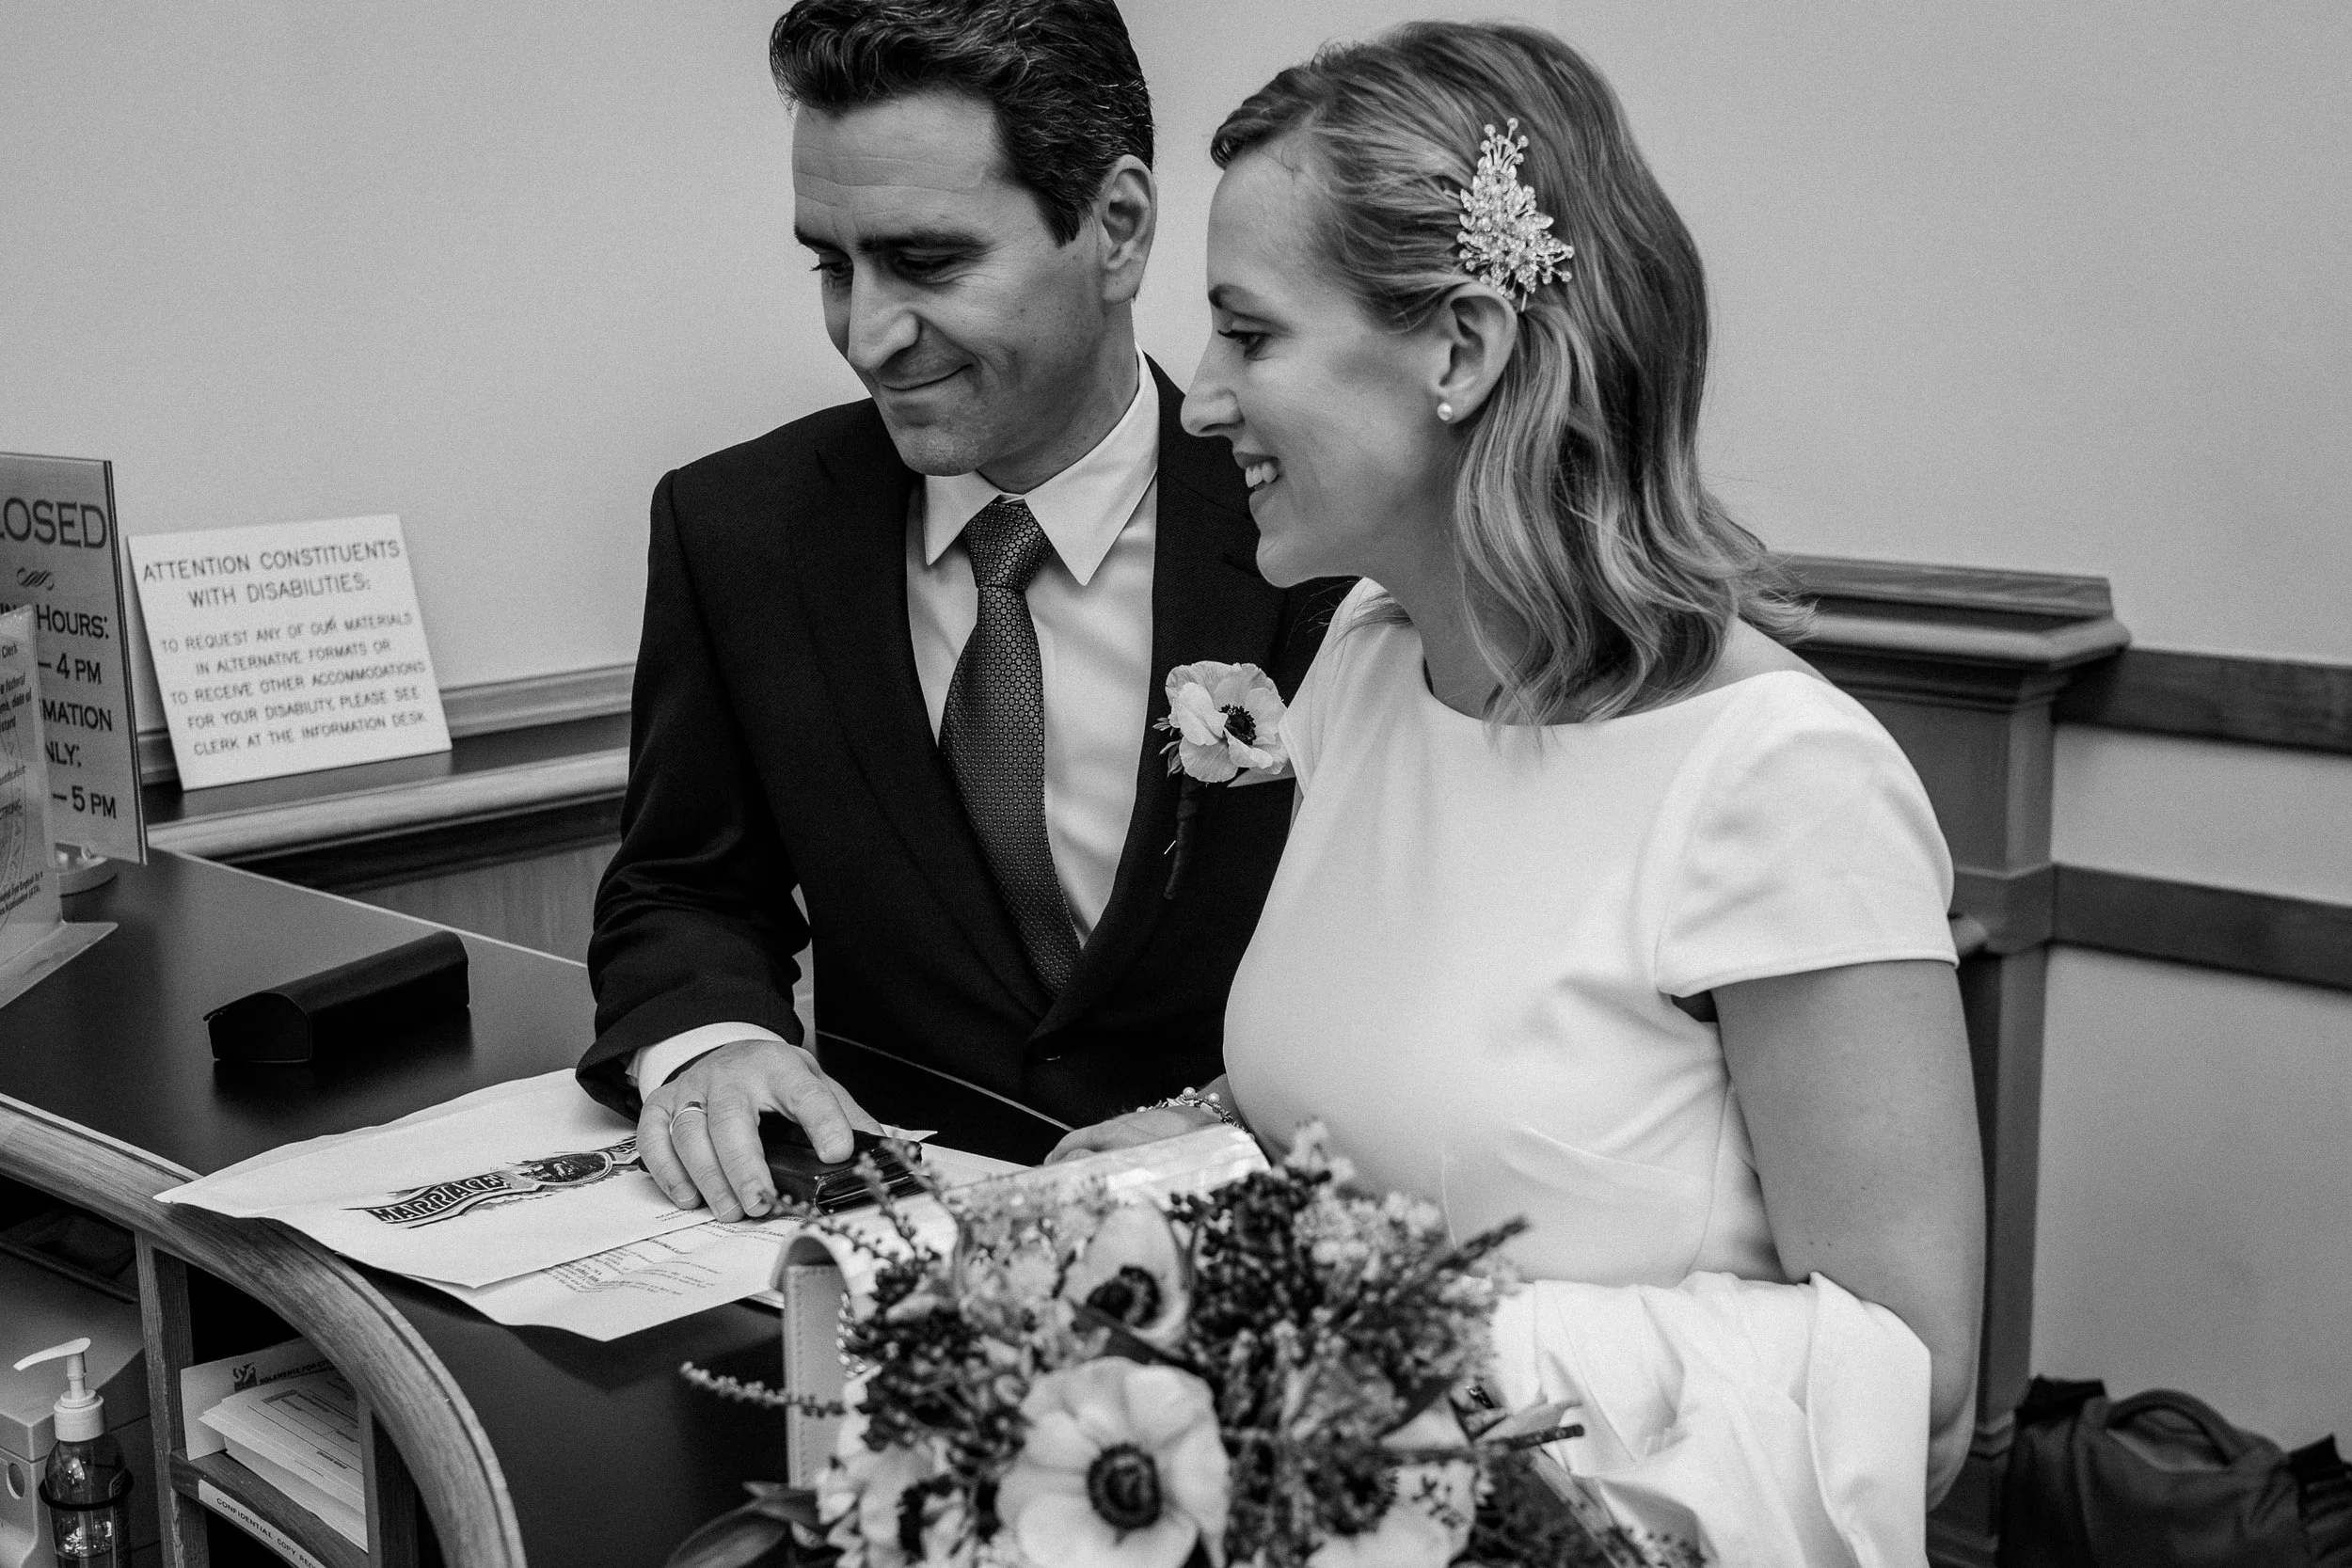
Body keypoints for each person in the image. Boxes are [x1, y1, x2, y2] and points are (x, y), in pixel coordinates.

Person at [1050, 21, 1986, 1560]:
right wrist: (1183, 1144)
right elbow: (1403, 1092)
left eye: (1250, 334)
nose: (1199, 397)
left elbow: (1914, 1385)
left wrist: (1350, 1338)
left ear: (1463, 348)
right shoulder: (1364, 665)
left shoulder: (1782, 782)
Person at [579, 0, 1344, 1222]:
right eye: (834, 264)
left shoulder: (1328, 531)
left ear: (1117, 227)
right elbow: (683, 885)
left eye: (928, 263)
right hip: (879, 1269)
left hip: (1277, 1263)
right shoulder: (742, 531)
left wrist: (1212, 1132)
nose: (867, 334)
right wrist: (712, 1040)